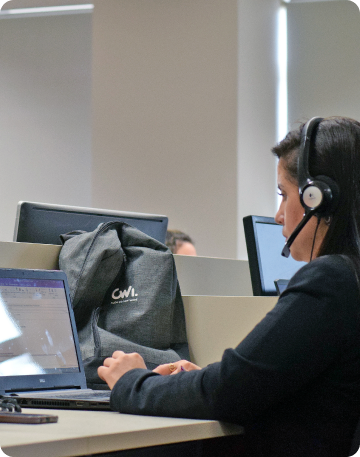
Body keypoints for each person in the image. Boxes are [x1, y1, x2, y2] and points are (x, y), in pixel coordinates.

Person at [98, 117, 360, 457]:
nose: (279, 215)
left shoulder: (331, 280)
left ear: (316, 198)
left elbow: (228, 393)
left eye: (284, 195)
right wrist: (199, 379)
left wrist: (131, 382)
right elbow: (260, 379)